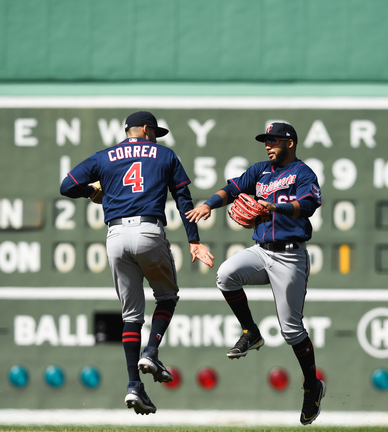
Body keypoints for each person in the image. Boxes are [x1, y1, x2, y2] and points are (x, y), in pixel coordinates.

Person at [60, 111, 215, 415]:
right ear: (145, 129)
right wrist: (194, 240)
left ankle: (134, 385)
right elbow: (184, 199)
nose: (155, 136)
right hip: (148, 230)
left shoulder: (105, 156)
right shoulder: (165, 154)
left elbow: (67, 186)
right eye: (154, 131)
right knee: (167, 297)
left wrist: (92, 190)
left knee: (131, 316)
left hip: (115, 235)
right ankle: (152, 351)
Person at [185, 122, 326, 425]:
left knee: (291, 330)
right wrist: (209, 205)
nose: (267, 145)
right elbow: (233, 188)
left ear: (289, 143)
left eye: (273, 140)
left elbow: (309, 205)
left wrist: (275, 208)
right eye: (265, 140)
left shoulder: (303, 173)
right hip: (263, 251)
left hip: (290, 256)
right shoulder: (260, 170)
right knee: (226, 274)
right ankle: (251, 332)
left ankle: (312, 385)